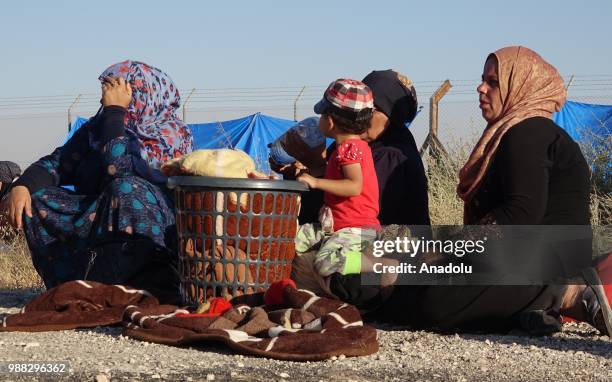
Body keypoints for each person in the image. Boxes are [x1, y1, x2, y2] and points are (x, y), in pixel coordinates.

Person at [382, 46, 611, 336]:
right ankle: (532, 311)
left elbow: (520, 214)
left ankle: (566, 293)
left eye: (493, 82)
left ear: (520, 86)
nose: (481, 88)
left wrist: (447, 250)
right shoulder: (515, 133)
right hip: (521, 256)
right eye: (483, 80)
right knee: (407, 286)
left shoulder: (528, 132)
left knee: (430, 300)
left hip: (547, 260)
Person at [6, 61, 193, 302]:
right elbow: (56, 164)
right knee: (36, 199)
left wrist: (116, 112)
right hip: (100, 221)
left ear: (141, 93)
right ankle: (78, 285)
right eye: (106, 89)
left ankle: (151, 287)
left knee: (126, 188)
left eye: (116, 88)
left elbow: (121, 169)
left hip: (150, 227)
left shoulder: (172, 134)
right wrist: (23, 185)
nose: (106, 97)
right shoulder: (97, 129)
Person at [295, 78, 381, 279]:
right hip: (336, 226)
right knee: (289, 239)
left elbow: (353, 186)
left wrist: (316, 182)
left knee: (325, 263)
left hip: (357, 231)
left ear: (330, 121)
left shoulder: (350, 150)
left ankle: (381, 265)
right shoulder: (349, 149)